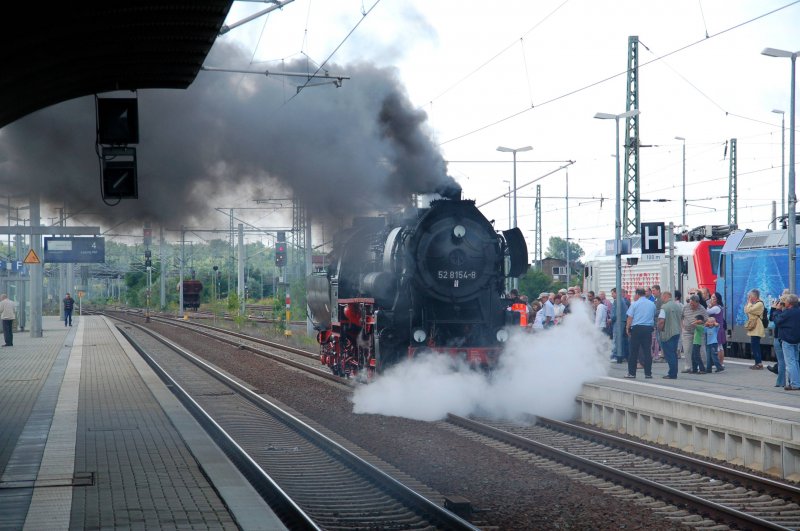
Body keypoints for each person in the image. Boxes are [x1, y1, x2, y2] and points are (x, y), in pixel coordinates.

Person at [624, 287, 656, 379]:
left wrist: (627, 328)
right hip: (648, 329)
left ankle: (632, 373)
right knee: (647, 351)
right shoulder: (652, 304)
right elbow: (653, 315)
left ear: (637, 294)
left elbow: (630, 318)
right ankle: (648, 373)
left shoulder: (635, 304)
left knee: (633, 352)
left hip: (637, 329)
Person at [773, 293, 800, 391]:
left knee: (790, 362)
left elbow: (777, 321)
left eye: (786, 301)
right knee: (796, 361)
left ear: (789, 303)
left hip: (788, 340)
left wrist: (777, 310)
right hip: (797, 340)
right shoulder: (798, 311)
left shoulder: (788, 312)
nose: (784, 302)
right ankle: (797, 382)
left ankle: (795, 384)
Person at [657, 291, 682, 379]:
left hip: (668, 333)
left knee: (669, 354)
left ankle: (672, 374)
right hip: (677, 332)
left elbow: (661, 321)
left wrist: (659, 330)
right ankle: (674, 372)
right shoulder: (678, 306)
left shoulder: (664, 307)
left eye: (662, 297)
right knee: (674, 353)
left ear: (666, 296)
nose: (661, 299)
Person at [681, 295, 707, 373]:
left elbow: (705, 320)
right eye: (690, 303)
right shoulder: (685, 307)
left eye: (693, 304)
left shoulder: (702, 309)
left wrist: (698, 323)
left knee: (701, 349)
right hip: (687, 331)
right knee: (687, 350)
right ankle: (688, 366)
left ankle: (703, 366)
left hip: (698, 332)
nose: (691, 305)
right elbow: (681, 317)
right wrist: (682, 327)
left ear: (698, 303)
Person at [769, 295, 789, 387]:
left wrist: (775, 310)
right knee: (791, 361)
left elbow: (774, 320)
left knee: (781, 361)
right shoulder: (790, 311)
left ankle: (781, 382)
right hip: (789, 338)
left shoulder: (782, 313)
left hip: (779, 337)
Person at [744, 289, 766, 369]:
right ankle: (757, 362)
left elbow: (748, 309)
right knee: (754, 346)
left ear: (755, 296)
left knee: (755, 346)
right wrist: (749, 303)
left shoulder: (759, 304)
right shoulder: (754, 304)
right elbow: (746, 310)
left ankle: (759, 364)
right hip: (754, 328)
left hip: (757, 328)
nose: (749, 297)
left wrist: (749, 303)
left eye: (750, 296)